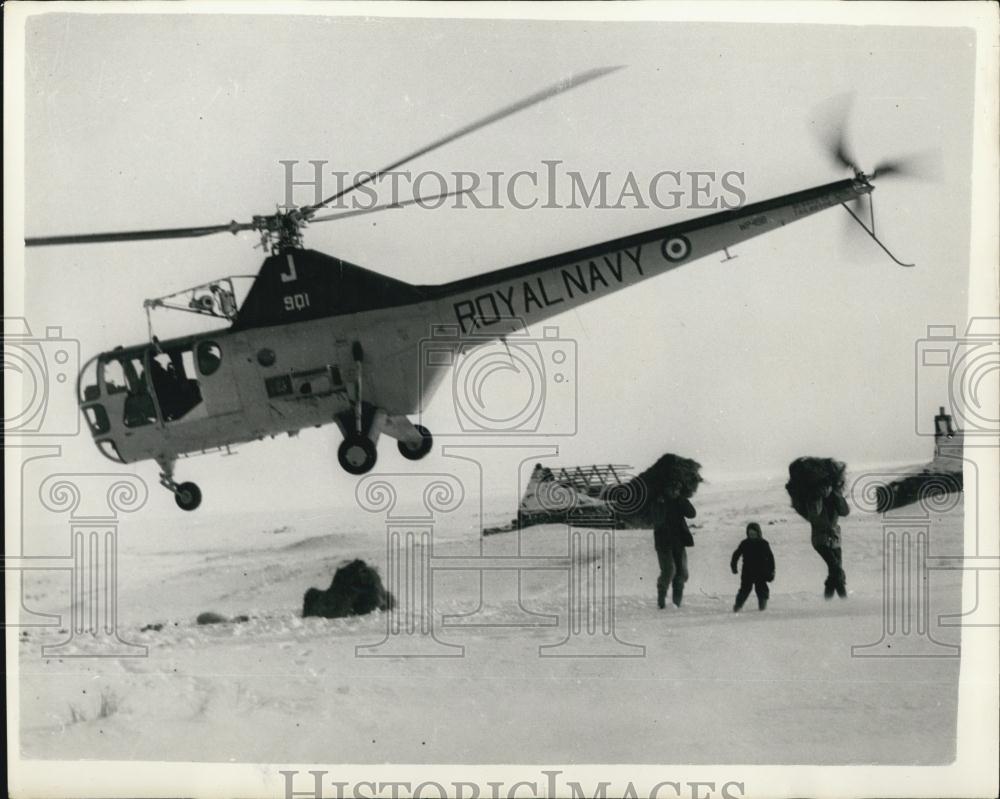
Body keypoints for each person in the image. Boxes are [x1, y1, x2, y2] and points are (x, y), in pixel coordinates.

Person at [650, 482, 697, 608]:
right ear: (666, 489)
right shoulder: (658, 501)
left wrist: (683, 500)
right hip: (664, 543)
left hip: (679, 542)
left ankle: (676, 603)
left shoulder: (680, 501)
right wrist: (661, 503)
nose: (675, 492)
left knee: (682, 573)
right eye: (673, 489)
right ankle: (661, 602)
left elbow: (692, 514)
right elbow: (657, 519)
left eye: (677, 490)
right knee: (669, 570)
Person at [807, 484, 850, 598]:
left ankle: (828, 601)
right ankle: (844, 600)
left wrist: (838, 495)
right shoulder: (814, 498)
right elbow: (814, 515)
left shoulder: (835, 497)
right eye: (823, 487)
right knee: (836, 568)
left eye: (828, 487)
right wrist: (818, 497)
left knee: (835, 571)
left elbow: (845, 512)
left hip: (835, 539)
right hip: (820, 539)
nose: (825, 489)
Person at [730, 522, 775, 612]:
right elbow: (736, 555)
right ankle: (738, 606)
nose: (752, 536)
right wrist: (734, 566)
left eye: (754, 534)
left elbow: (770, 559)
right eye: (750, 534)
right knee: (744, 589)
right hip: (747, 572)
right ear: (747, 534)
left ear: (758, 533)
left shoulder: (763, 543)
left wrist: (771, 572)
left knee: (762, 589)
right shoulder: (745, 543)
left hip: (761, 572)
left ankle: (762, 607)